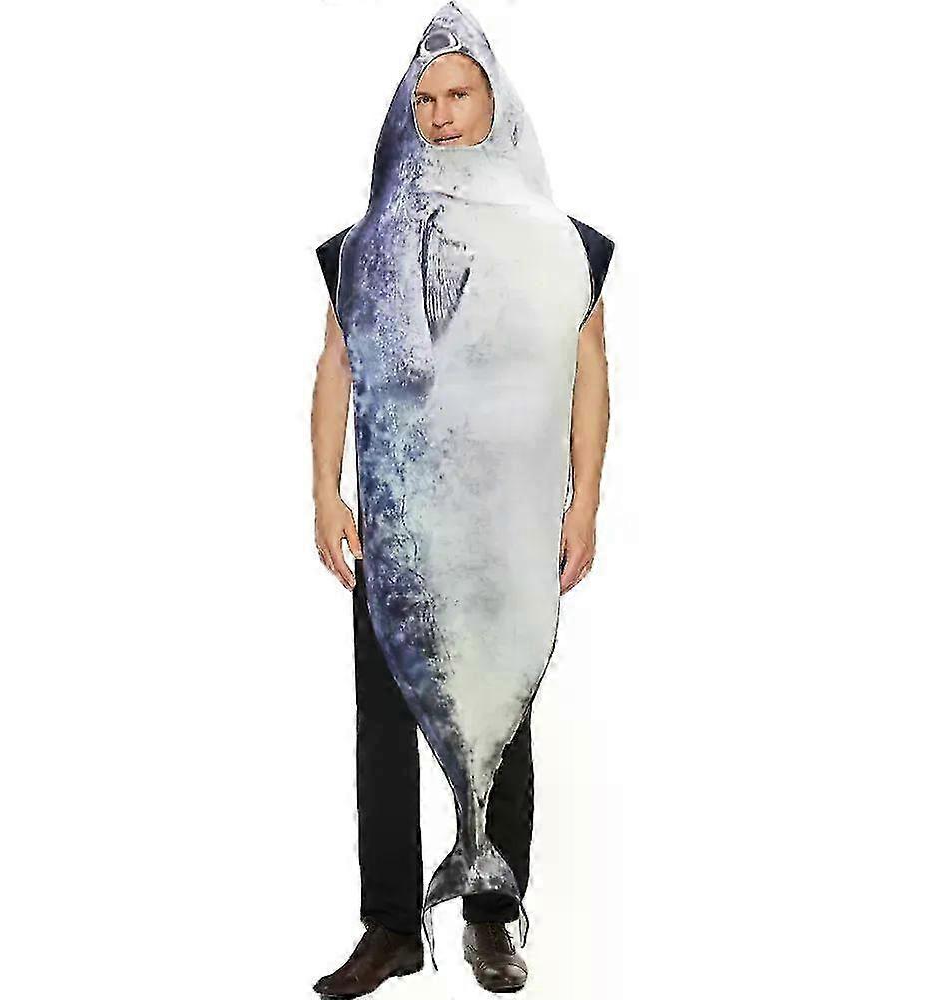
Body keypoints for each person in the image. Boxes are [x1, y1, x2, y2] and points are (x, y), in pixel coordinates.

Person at [310, 8, 612, 996]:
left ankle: (490, 913)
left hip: (506, 524)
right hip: (397, 527)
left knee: (502, 707)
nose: (440, 114)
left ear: (494, 103)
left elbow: (589, 366)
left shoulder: (559, 241)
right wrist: (324, 491)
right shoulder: (365, 245)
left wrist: (584, 502)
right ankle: (392, 925)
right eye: (425, 99)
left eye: (458, 95)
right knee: (382, 720)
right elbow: (337, 363)